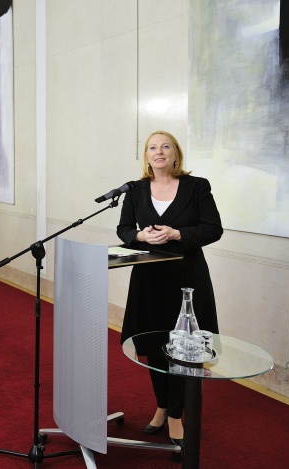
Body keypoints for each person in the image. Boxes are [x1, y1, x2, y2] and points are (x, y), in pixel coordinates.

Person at [116, 130, 223, 448]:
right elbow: (123, 229)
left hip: (188, 279)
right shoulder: (135, 190)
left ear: (176, 154)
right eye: (152, 147)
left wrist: (178, 234)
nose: (159, 152)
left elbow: (213, 228)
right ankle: (162, 405)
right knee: (154, 343)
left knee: (185, 348)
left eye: (166, 147)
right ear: (146, 156)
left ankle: (177, 413)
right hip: (149, 279)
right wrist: (140, 238)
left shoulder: (197, 186)